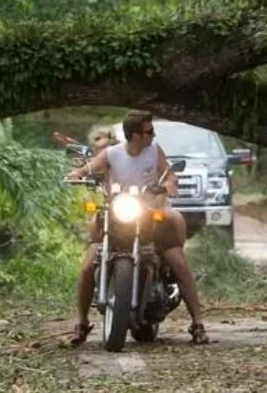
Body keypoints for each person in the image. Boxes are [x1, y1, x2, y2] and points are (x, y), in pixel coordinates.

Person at [65, 110, 210, 345]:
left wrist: (170, 184)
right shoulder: (112, 153)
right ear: (134, 135)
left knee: (178, 262)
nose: (153, 135)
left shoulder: (154, 151)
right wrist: (77, 173)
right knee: (87, 266)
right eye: (149, 131)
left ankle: (198, 324)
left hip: (150, 215)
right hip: (117, 215)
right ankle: (81, 323)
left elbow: (168, 174)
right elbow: (89, 168)